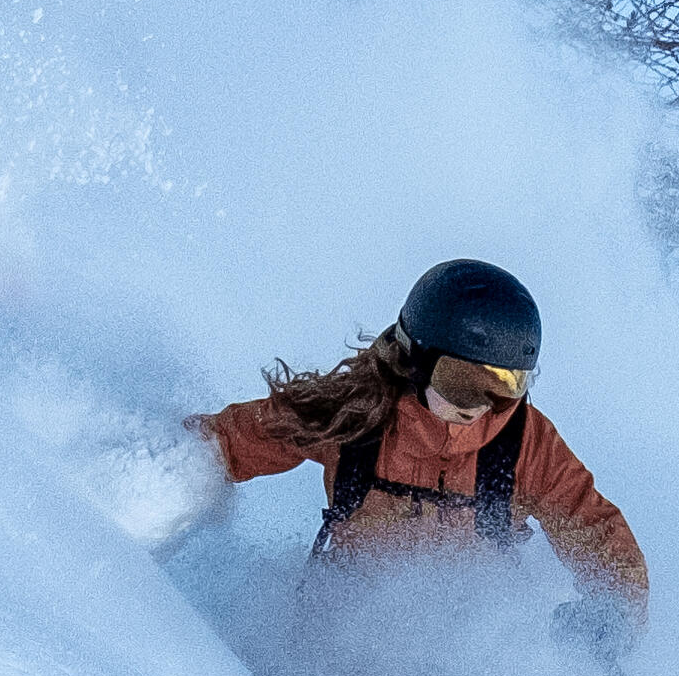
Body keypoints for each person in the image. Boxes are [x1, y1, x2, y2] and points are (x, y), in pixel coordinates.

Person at [194, 257, 650, 631]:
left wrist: (614, 611)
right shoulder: (359, 412)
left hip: (466, 644)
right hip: (343, 630)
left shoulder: (523, 440)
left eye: (507, 386)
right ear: (415, 360)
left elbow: (589, 522)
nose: (484, 407)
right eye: (464, 382)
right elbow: (233, 442)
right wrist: (165, 472)